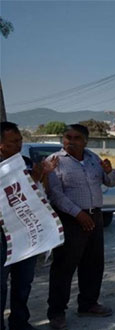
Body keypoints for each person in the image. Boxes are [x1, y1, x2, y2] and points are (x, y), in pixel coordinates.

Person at [45, 124, 115, 329]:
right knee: (63, 267)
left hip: (95, 217)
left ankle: (88, 303)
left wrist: (110, 171)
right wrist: (78, 214)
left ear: (85, 141)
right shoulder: (55, 162)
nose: (70, 141)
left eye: (76, 137)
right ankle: (57, 312)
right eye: (67, 137)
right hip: (70, 219)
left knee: (94, 264)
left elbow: (112, 182)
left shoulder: (93, 159)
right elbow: (55, 194)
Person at [1, 121, 56, 330]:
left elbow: (37, 193)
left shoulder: (23, 161)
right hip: (3, 236)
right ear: (1, 145)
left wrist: (43, 175)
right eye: (14, 141)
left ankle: (19, 322)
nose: (18, 144)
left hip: (25, 232)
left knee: (23, 282)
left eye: (20, 140)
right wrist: (34, 177)